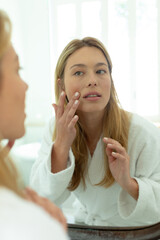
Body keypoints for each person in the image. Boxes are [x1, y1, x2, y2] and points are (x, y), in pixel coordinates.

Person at [30, 37, 160, 227]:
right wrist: (61, 147)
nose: (92, 81)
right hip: (87, 229)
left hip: (138, 233)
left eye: (100, 71)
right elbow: (40, 197)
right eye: (79, 73)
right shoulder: (56, 129)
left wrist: (128, 182)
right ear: (62, 85)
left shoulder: (143, 134)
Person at [0, 10, 69, 240]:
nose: (26, 86)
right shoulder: (24, 226)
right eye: (17, 70)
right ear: (62, 85)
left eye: (101, 70)